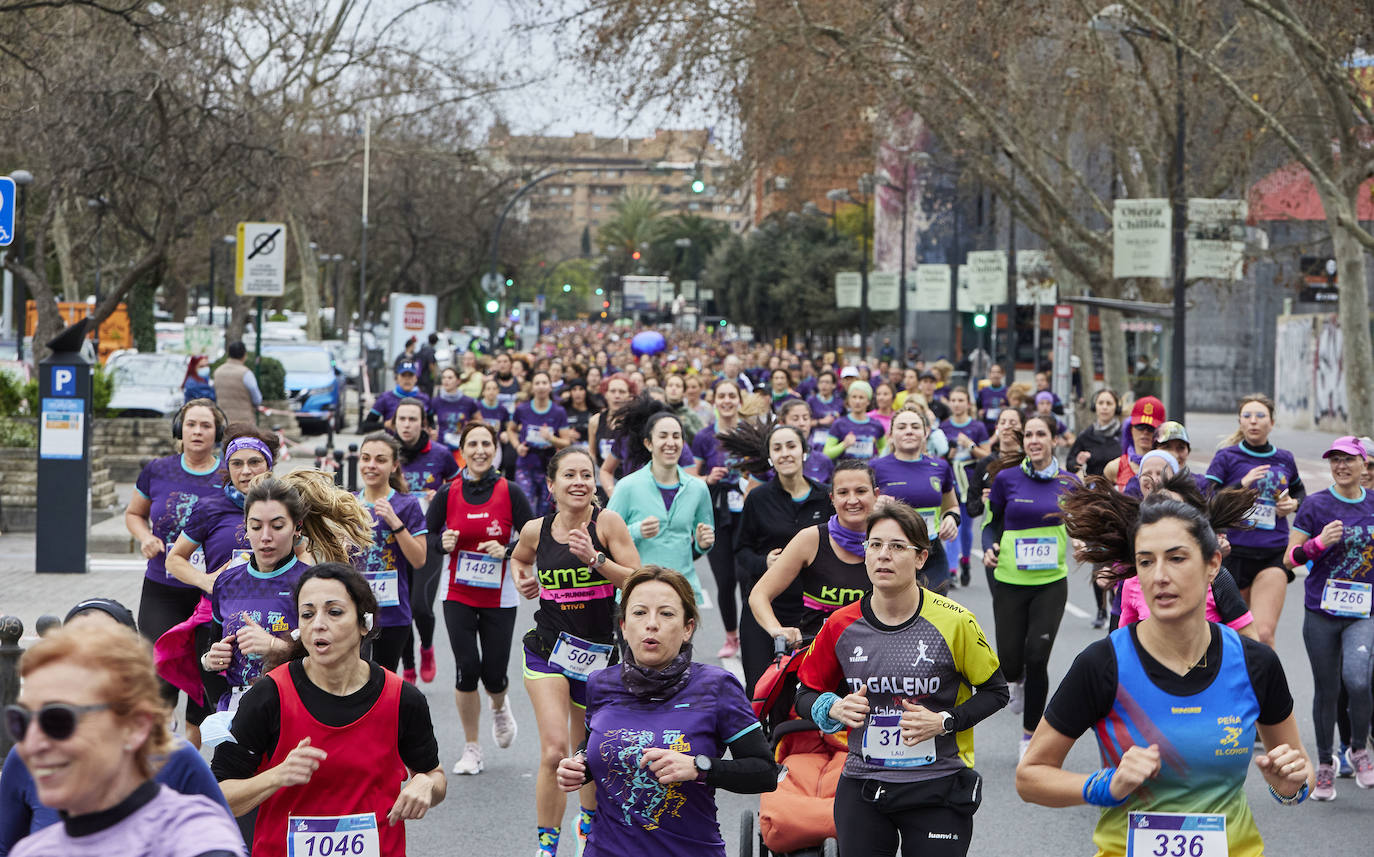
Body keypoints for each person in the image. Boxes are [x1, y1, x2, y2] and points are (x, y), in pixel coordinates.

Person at [1019, 490, 1314, 857]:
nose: (1159, 576)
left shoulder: (1255, 664)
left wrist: (1290, 786)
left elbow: (1300, 772)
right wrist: (1105, 786)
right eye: (1146, 562)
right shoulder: (1104, 663)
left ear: (1212, 565)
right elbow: (1030, 776)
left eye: (1176, 559)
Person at [794, 502, 1008, 856]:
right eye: (875, 545)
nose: (883, 556)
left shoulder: (956, 621)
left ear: (921, 558)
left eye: (896, 547)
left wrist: (944, 721)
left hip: (938, 783)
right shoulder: (840, 625)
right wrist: (832, 708)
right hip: (863, 784)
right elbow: (805, 691)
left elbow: (995, 691)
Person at [211, 564, 446, 857]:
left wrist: (426, 783)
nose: (318, 624)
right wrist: (275, 776)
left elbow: (435, 777)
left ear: (364, 623)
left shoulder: (402, 698)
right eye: (308, 614)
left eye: (334, 612)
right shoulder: (269, 696)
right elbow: (218, 795)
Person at [555, 566, 782, 855]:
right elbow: (594, 743)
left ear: (687, 628)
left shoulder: (716, 686)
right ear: (623, 626)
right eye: (639, 613)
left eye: (666, 613)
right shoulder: (601, 683)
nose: (651, 624)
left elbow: (764, 772)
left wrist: (699, 767)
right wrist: (579, 765)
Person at [0, 601, 233, 857]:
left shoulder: (195, 840)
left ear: (135, 726)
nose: (32, 744)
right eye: (22, 720)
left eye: (60, 720)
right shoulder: (31, 849)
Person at [510, 448, 639, 857]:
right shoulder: (536, 529)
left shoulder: (608, 524)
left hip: (598, 658)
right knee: (553, 752)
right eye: (569, 475)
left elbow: (637, 580)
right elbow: (519, 557)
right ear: (552, 486)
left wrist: (596, 559)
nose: (579, 481)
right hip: (547, 651)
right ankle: (546, 848)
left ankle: (587, 827)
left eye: (586, 474)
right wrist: (522, 580)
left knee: (587, 753)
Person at [203, 474, 371, 712]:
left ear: (297, 528)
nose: (266, 537)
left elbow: (339, 661)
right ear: (246, 528)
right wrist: (211, 660)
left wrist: (275, 646)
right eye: (256, 526)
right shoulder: (227, 581)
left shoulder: (313, 584)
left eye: (278, 526)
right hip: (236, 712)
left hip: (297, 707)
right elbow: (213, 645)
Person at [428, 421, 534, 775]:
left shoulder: (511, 491)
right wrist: (440, 543)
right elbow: (427, 537)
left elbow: (533, 538)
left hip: (499, 595)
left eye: (486, 444)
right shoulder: (448, 492)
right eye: (472, 444)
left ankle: (500, 706)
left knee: (493, 674)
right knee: (466, 669)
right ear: (462, 450)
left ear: (495, 449)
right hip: (457, 591)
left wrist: (506, 550)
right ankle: (471, 748)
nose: (479, 451)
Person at [125, 399, 226, 745]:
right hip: (163, 588)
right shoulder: (157, 470)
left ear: (218, 433)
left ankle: (196, 758)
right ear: (179, 430)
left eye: (206, 425)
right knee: (159, 672)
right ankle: (159, 754)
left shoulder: (228, 474)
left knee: (204, 675)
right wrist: (145, 537)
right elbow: (134, 514)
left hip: (208, 592)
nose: (197, 431)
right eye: (191, 424)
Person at [981, 413, 1078, 758]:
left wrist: (1083, 542)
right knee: (1008, 662)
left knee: (1037, 658)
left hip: (1050, 582)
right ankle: (1016, 678)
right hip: (1009, 580)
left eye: (1041, 434)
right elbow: (991, 525)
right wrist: (990, 546)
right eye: (1029, 435)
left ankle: (1029, 737)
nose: (1034, 441)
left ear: (1054, 439)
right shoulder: (1007, 479)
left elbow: (1081, 526)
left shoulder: (1069, 483)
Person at [1285, 436, 1374, 796]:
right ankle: (1324, 763)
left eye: (1348, 460)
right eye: (1335, 460)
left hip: (1363, 612)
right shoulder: (1316, 505)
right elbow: (1289, 558)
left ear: (1364, 464)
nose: (1341, 466)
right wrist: (1318, 544)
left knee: (1358, 680)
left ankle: (1359, 750)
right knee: (1327, 688)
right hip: (1321, 610)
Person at [731, 422, 834, 690]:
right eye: (777, 448)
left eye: (791, 446)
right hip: (765, 608)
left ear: (804, 452)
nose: (785, 453)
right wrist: (764, 562)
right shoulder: (758, 498)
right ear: (770, 458)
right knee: (760, 690)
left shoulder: (826, 497)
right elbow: (740, 551)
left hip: (812, 612)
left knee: (806, 692)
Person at [1205, 393, 1304, 646]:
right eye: (1247, 416)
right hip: (1232, 554)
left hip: (1272, 552)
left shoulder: (1284, 458)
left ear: (1271, 422)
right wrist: (1241, 485)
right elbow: (1207, 499)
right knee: (1231, 637)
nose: (1253, 421)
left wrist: (1293, 503)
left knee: (1262, 635)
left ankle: (1263, 686)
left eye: (1260, 416)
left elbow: (1300, 492)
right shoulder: (1226, 457)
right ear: (1240, 422)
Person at [749, 460, 876, 642]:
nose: (852, 500)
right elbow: (759, 595)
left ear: (876, 495)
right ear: (832, 499)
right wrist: (776, 630)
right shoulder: (811, 539)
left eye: (861, 491)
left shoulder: (889, 540)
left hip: (873, 657)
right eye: (843, 493)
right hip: (819, 654)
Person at [608, 407, 715, 605]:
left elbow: (705, 539)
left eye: (676, 436)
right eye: (663, 436)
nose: (670, 443)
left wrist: (703, 543)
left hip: (681, 593)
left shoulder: (698, 488)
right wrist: (636, 530)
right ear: (649, 443)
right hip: (637, 592)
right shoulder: (627, 486)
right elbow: (605, 536)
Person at [354, 432, 428, 674]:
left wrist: (395, 522)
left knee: (384, 681)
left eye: (380, 459)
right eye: (366, 458)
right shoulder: (347, 504)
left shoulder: (406, 504)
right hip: (353, 612)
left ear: (394, 465)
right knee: (354, 681)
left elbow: (419, 559)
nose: (371, 465)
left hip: (392, 614)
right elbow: (332, 562)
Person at [690, 379, 748, 657]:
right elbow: (687, 475)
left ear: (739, 400)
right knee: (725, 580)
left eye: (731, 396)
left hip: (748, 514)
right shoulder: (703, 437)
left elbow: (766, 471)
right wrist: (707, 478)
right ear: (714, 402)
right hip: (716, 512)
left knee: (748, 578)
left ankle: (752, 636)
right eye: (721, 396)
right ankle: (731, 637)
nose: (726, 401)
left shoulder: (750, 432)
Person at [872, 408, 959, 592]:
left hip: (931, 553)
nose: (909, 431)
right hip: (892, 553)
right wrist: (874, 507)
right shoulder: (876, 468)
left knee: (935, 613)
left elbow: (952, 506)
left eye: (915, 426)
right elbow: (859, 513)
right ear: (891, 434)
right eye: (902, 427)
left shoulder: (940, 467)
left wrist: (951, 518)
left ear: (926, 432)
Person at [941, 388, 991, 588]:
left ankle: (966, 561)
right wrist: (950, 454)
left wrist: (970, 446)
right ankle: (952, 569)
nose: (956, 404)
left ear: (968, 403)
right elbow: (940, 455)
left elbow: (987, 456)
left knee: (966, 528)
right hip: (950, 482)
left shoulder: (977, 427)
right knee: (953, 523)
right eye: (953, 400)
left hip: (970, 484)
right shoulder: (944, 427)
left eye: (960, 400)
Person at [510, 370, 571, 517]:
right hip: (526, 464)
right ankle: (525, 537)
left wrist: (551, 438)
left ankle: (543, 538)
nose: (541, 386)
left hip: (548, 466)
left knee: (546, 509)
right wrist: (517, 446)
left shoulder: (558, 411)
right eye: (537, 383)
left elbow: (566, 442)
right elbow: (511, 429)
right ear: (532, 387)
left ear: (550, 387)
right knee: (525, 506)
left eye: (544, 383)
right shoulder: (522, 409)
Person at [392, 398, 459, 500]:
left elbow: (459, 490)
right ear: (395, 421)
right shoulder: (386, 453)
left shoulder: (442, 453)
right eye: (402, 419)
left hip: (431, 514)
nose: (406, 425)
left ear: (423, 423)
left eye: (412, 419)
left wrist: (441, 498)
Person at [1104, 395, 1164, 491]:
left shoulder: (1168, 469)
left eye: (1151, 428)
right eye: (1140, 426)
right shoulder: (1114, 468)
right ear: (1130, 429)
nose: (1145, 432)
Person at [589, 375, 635, 497]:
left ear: (630, 396)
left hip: (627, 480)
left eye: (622, 392)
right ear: (606, 394)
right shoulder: (595, 421)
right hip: (601, 482)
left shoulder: (635, 422)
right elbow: (592, 453)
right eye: (613, 391)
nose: (617, 395)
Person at [825, 380, 885, 462]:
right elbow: (826, 454)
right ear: (849, 400)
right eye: (854, 397)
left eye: (861, 397)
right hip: (845, 472)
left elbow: (883, 450)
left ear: (868, 401)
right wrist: (844, 444)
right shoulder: (839, 424)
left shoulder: (876, 425)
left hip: (868, 473)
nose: (857, 401)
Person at [1068, 388, 1122, 479]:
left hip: (1119, 488)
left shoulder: (1125, 434)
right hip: (1094, 489)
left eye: (1109, 403)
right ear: (1094, 406)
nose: (1104, 407)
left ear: (1116, 407)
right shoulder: (1086, 435)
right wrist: (1078, 462)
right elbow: (1069, 465)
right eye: (1100, 403)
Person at [778, 398, 834, 485]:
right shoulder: (774, 460)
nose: (802, 423)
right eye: (795, 419)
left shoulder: (823, 461)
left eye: (805, 418)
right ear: (782, 423)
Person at [367, 361, 432, 428]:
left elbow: (431, 423)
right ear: (397, 378)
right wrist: (385, 424)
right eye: (403, 375)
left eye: (410, 375)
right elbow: (366, 425)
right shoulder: (385, 398)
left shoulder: (425, 398)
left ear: (416, 378)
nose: (407, 379)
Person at [211, 342, 261, 426]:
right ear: (244, 355)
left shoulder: (218, 372)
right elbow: (257, 399)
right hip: (244, 423)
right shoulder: (246, 373)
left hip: (223, 421)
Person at [432, 366, 477, 449]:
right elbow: (426, 420)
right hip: (442, 447)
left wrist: (470, 429)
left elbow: (479, 421)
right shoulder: (436, 401)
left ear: (458, 381)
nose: (446, 380)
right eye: (444, 377)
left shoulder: (468, 402)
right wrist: (431, 432)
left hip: (463, 448)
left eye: (450, 378)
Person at [976, 362, 1009, 434]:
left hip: (1003, 428)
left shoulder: (1008, 391)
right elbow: (978, 407)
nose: (996, 375)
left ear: (1002, 374)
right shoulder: (983, 391)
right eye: (993, 372)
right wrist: (980, 412)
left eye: (998, 372)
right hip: (986, 428)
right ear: (989, 375)